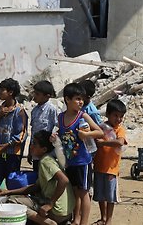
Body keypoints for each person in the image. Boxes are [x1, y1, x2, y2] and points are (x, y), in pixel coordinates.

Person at [0, 130, 75, 225]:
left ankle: (48, 222)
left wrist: (50, 204)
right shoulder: (49, 159)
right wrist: (8, 192)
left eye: (34, 144)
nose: (31, 146)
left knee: (12, 202)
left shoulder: (45, 162)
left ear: (44, 149)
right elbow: (36, 187)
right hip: (66, 212)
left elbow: (64, 180)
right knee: (25, 197)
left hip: (57, 212)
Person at [57, 83, 103, 225]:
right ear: (67, 99)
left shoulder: (83, 116)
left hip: (83, 162)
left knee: (83, 193)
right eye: (77, 98)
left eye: (81, 99)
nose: (81, 102)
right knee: (75, 192)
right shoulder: (61, 117)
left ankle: (83, 222)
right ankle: (76, 219)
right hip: (70, 161)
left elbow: (100, 132)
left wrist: (87, 134)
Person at [0, 78, 28, 190]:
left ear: (10, 93)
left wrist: (5, 146)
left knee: (12, 181)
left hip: (12, 153)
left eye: (2, 90)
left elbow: (21, 135)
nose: (0, 93)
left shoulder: (19, 111)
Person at [92, 99, 127, 225]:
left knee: (110, 197)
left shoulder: (120, 130)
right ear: (108, 114)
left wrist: (103, 143)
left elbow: (119, 142)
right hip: (99, 166)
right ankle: (103, 217)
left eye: (121, 116)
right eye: (115, 115)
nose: (118, 119)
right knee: (101, 195)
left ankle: (109, 220)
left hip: (111, 168)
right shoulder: (101, 128)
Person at [28, 80, 58, 172]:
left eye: (37, 94)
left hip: (47, 152)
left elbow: (58, 127)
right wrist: (30, 150)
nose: (34, 96)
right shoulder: (34, 111)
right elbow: (33, 131)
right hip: (36, 151)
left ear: (47, 96)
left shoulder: (52, 110)